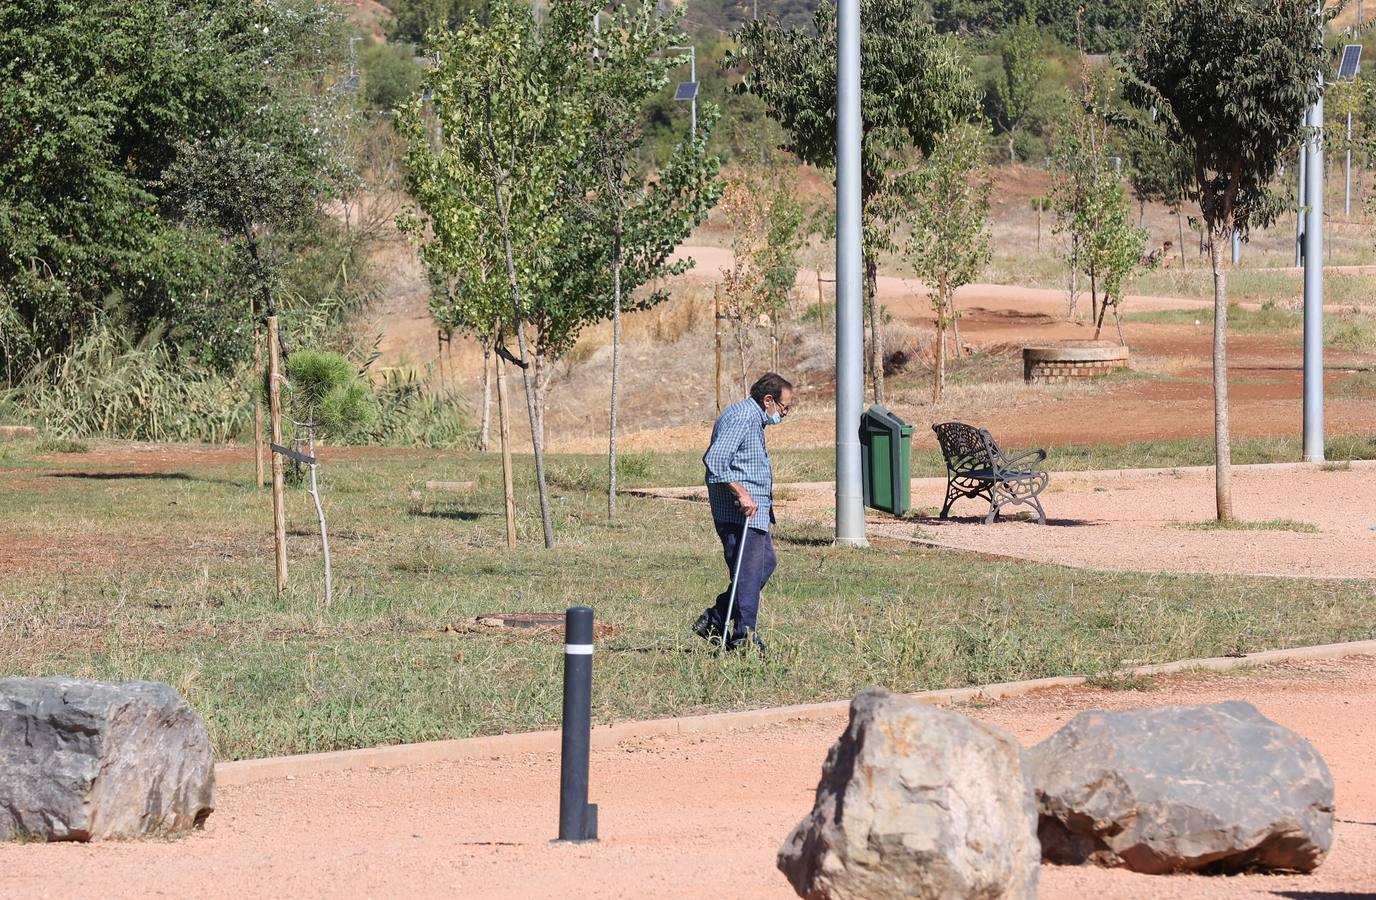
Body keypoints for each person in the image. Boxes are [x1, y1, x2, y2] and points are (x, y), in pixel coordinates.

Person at [693, 372, 793, 655]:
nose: (785, 414)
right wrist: (742, 494)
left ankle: (715, 618)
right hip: (739, 514)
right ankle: (743, 638)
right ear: (768, 400)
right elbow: (715, 460)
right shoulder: (743, 417)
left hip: (754, 513)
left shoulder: (752, 417)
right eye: (784, 407)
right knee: (748, 576)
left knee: (765, 565)